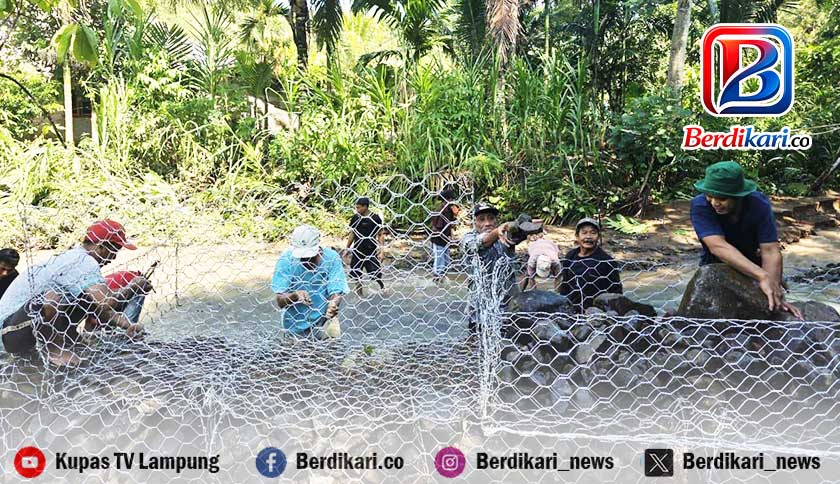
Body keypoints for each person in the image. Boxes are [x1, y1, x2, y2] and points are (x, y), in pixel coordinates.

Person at [0, 220, 151, 365]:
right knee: (52, 296)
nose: (114, 257)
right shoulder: (83, 261)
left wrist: (128, 325)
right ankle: (55, 349)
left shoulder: (77, 258)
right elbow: (107, 302)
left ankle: (69, 339)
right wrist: (134, 286)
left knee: (82, 297)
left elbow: (98, 308)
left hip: (23, 326)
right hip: (9, 331)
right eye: (114, 251)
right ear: (101, 246)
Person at [690, 160, 802, 319]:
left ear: (738, 197)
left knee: (769, 305)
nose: (715, 203)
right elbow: (718, 247)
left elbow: (770, 250)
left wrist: (775, 290)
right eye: (710, 196)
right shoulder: (700, 206)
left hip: (753, 261)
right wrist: (763, 276)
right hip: (716, 265)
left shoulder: (758, 204)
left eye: (722, 199)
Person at [461, 202, 536, 334]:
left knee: (509, 347)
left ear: (496, 221)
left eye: (491, 218)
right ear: (474, 222)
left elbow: (519, 232)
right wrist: (498, 231)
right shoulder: (467, 239)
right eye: (482, 219)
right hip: (480, 310)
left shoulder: (506, 236)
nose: (487, 223)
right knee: (475, 346)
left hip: (507, 308)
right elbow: (483, 242)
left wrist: (522, 223)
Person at [273, 224, 349, 338]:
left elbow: (336, 291)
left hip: (324, 321)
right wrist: (295, 296)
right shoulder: (286, 260)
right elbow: (280, 301)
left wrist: (333, 303)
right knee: (297, 354)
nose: (306, 259)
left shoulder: (331, 258)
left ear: (318, 245)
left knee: (328, 352)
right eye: (302, 257)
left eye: (309, 255)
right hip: (294, 325)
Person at [559, 217, 623, 313]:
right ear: (577, 236)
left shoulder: (606, 261)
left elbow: (616, 293)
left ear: (598, 236)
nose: (588, 236)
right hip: (572, 311)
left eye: (593, 233)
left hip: (595, 314)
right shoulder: (570, 256)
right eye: (584, 233)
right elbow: (565, 286)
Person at [345, 197, 385, 297]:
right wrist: (347, 248)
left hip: (370, 250)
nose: (357, 210)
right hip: (357, 250)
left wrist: (382, 250)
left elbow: (380, 234)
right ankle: (360, 295)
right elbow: (352, 234)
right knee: (355, 274)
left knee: (375, 273)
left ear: (365, 206)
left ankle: (383, 288)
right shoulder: (355, 218)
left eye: (358, 208)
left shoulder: (375, 218)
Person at [430, 189, 460, 284]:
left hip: (445, 240)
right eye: (451, 199)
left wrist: (456, 215)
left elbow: (451, 225)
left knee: (446, 262)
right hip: (438, 240)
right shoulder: (440, 210)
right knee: (440, 262)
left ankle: (441, 281)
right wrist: (448, 239)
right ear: (446, 200)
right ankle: (436, 281)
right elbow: (436, 229)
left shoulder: (449, 210)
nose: (452, 201)